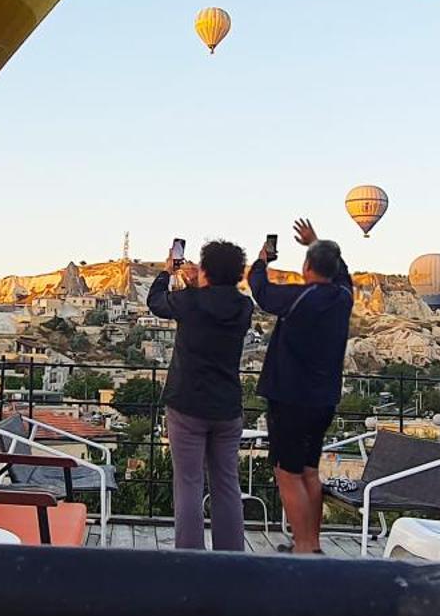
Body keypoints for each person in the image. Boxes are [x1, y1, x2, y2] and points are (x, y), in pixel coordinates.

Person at [248, 219, 352, 554]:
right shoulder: (342, 297)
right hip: (324, 400)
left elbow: (261, 291)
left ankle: (304, 549)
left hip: (290, 398)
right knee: (309, 471)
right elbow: (342, 272)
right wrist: (316, 242)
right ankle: (313, 543)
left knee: (287, 474)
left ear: (307, 267)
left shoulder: (299, 298)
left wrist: (262, 260)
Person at [146, 239, 253, 551]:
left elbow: (156, 301)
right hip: (227, 407)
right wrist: (198, 285)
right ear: (238, 274)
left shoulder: (188, 301)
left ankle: (190, 559)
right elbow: (218, 302)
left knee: (189, 485)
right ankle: (231, 557)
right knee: (227, 486)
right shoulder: (244, 307)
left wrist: (169, 273)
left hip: (187, 404)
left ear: (204, 269)